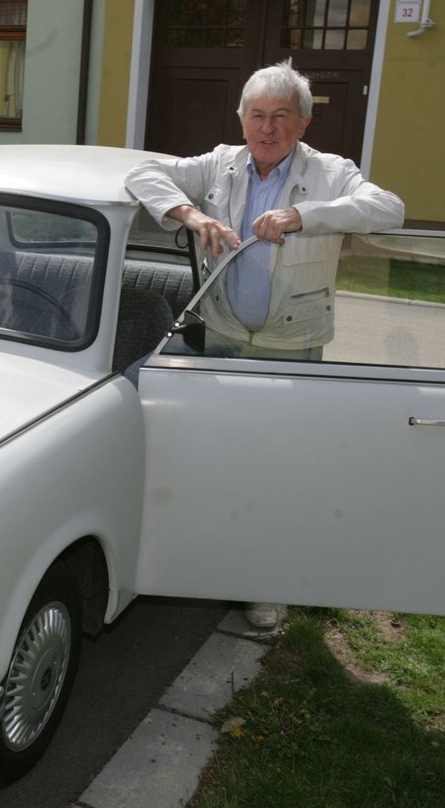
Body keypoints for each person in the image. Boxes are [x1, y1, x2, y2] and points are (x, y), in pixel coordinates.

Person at [125, 58, 405, 630]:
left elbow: (389, 210)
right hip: (223, 336)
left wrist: (304, 215)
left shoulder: (331, 171)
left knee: (282, 466)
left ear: (303, 123)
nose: (267, 128)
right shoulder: (222, 164)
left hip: (291, 344)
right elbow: (144, 174)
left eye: (281, 116)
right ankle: (214, 563)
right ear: (242, 119)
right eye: (257, 115)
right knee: (218, 458)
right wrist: (191, 215)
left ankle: (268, 583)